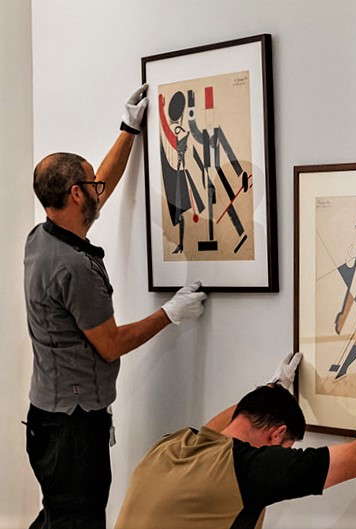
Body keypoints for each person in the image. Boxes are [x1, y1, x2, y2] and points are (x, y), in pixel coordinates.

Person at [24, 84, 209, 529]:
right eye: (90, 183)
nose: (98, 188)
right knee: (79, 522)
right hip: (73, 431)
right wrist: (170, 313)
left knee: (58, 518)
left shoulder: (43, 235)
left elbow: (100, 189)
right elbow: (110, 344)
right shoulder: (74, 267)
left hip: (48, 421)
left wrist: (128, 129)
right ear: (75, 194)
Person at [113, 350, 356, 529]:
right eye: (286, 447)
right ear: (277, 434)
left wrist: (271, 388)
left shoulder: (175, 443)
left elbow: (222, 426)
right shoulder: (248, 470)